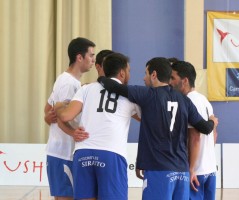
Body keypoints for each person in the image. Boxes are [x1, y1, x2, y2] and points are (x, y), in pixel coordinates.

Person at [97, 57, 218, 200]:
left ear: (154, 75)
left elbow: (113, 87)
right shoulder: (185, 100)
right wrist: (212, 121)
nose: (143, 78)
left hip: (158, 170)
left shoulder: (147, 94)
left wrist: (100, 78)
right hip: (182, 172)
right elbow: (205, 128)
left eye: (146, 73)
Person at [54, 53, 141, 200]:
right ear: (121, 72)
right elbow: (147, 119)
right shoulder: (130, 94)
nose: (129, 74)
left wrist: (58, 106)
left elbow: (65, 116)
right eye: (128, 70)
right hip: (111, 153)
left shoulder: (86, 89)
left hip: (83, 152)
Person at [44, 37, 95, 200]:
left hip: (66, 153)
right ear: (79, 57)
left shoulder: (70, 81)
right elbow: (60, 116)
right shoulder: (68, 83)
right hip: (62, 153)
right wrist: (73, 133)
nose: (93, 60)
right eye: (91, 55)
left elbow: (48, 110)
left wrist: (49, 116)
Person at [169, 61, 218, 200]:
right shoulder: (204, 100)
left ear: (184, 81)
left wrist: (191, 169)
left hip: (196, 172)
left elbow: (195, 137)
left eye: (173, 78)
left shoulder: (189, 102)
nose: (170, 82)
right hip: (210, 170)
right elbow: (214, 134)